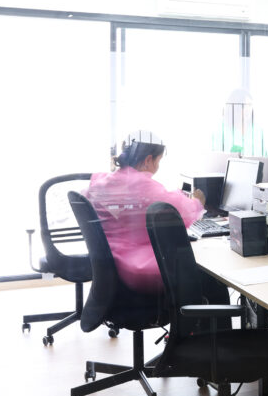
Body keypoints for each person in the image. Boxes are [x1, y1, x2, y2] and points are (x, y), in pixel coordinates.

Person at [84, 130, 228, 306]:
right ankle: (197, 331)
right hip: (139, 269)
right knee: (213, 280)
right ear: (147, 160)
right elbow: (179, 211)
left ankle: (191, 330)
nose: (157, 167)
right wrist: (198, 201)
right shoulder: (141, 185)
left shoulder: (105, 181)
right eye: (158, 161)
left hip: (115, 264)